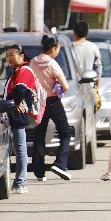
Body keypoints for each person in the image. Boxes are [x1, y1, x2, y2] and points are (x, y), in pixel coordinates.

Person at [29, 35, 72, 181]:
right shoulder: (52, 64)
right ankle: (60, 163)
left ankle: (39, 171)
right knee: (65, 132)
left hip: (38, 102)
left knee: (39, 135)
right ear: (53, 48)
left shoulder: (33, 62)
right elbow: (65, 86)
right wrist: (58, 87)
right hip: (53, 101)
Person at [4, 44, 35, 194]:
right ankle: (17, 182)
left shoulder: (24, 70)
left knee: (20, 149)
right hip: (12, 115)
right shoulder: (15, 71)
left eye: (12, 54)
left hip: (17, 116)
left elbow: (20, 88)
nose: (9, 58)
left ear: (21, 55)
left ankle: (21, 182)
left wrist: (16, 102)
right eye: (7, 55)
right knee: (16, 149)